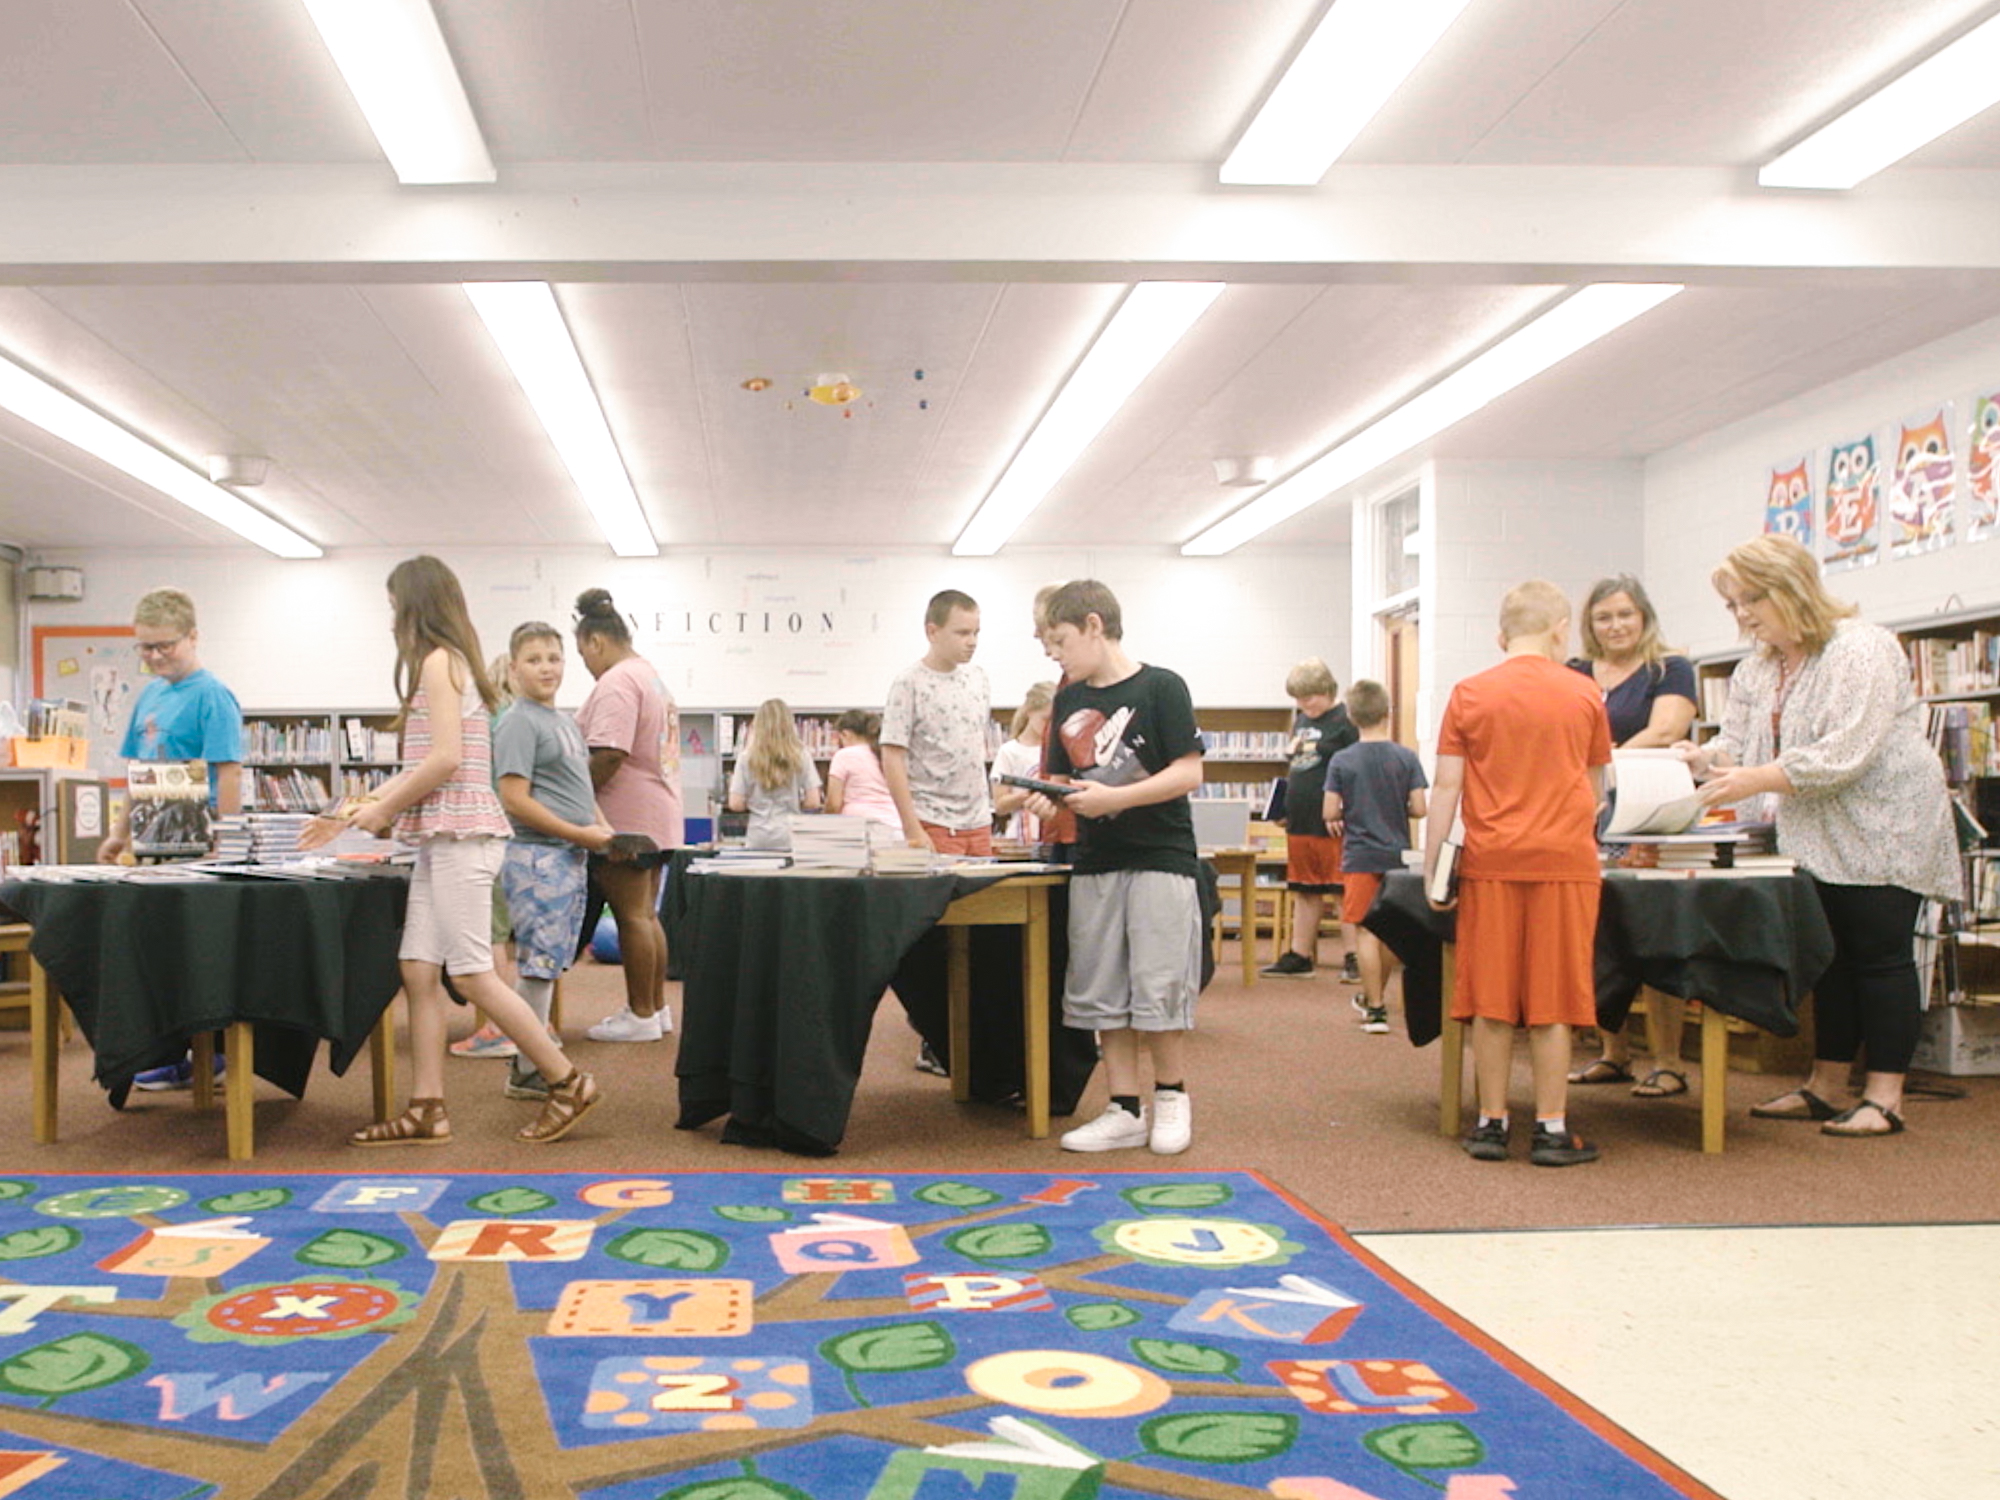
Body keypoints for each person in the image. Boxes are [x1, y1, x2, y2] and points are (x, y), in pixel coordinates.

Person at [298, 555, 600, 1145]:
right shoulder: (446, 665)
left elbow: (444, 760)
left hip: (464, 837)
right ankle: (428, 1107)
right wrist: (346, 813)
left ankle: (567, 1081)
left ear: (416, 607)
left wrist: (382, 811)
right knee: (417, 968)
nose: (390, 623)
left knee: (474, 975)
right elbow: (419, 765)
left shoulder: (441, 663)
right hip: (442, 838)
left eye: (393, 608)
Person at [1685, 535, 1961, 1138]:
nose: (1743, 615)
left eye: (1751, 599)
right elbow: (1736, 740)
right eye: (1733, 605)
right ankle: (1825, 1086)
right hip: (1815, 830)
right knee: (1831, 960)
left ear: (1792, 586)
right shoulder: (1759, 666)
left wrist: (1753, 778)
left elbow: (1847, 751)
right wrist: (1701, 758)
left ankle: (1885, 1098)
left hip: (1883, 824)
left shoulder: (1863, 647)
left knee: (1880, 956)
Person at [1427, 580, 1610, 1168]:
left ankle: (1491, 1122)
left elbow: (1446, 789)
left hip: (1491, 863)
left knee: (1491, 998)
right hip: (1565, 864)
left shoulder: (1469, 693)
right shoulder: (1586, 694)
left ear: (1500, 635)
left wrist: (1435, 870)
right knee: (1556, 1000)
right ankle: (1553, 1128)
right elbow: (1598, 788)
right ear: (1561, 629)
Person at [1025, 580, 1205, 1155]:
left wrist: (1115, 801)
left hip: (1160, 856)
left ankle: (1172, 1096)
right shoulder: (1069, 700)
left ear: (1095, 626)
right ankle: (1124, 1107)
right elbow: (1063, 780)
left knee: (1157, 983)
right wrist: (1045, 797)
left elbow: (1187, 772)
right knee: (1104, 988)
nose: (1053, 653)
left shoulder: (1162, 686)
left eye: (1060, 640)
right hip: (1096, 861)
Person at [1563, 574, 1701, 1098]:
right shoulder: (1574, 673)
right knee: (1598, 931)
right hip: (1586, 811)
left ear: (1642, 616)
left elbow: (1666, 731)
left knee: (1653, 932)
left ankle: (1667, 1062)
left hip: (1648, 809)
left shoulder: (1669, 668)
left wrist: (1601, 763)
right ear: (1589, 625)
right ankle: (1613, 1053)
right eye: (1604, 617)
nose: (1616, 625)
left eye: (1625, 614)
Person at [109, 588, 245, 1092]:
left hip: (198, 831)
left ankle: (206, 1055)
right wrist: (117, 832)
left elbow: (228, 772)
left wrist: (223, 842)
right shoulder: (149, 694)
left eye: (165, 645)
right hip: (152, 830)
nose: (155, 656)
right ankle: (167, 1050)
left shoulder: (212, 694)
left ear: (192, 636)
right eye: (145, 647)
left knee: (195, 955)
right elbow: (135, 771)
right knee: (156, 951)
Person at [490, 621, 619, 1102]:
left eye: (553, 658)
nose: (546, 667)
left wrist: (602, 830)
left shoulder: (562, 720)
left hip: (569, 856)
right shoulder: (518, 721)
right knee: (538, 965)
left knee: (549, 963)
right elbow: (514, 799)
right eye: (533, 659)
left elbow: (579, 791)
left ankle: (529, 1061)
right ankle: (527, 1068)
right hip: (536, 858)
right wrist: (580, 834)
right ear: (513, 666)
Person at [572, 587, 680, 1044]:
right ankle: (653, 1009)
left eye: (581, 654)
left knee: (632, 915)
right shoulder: (649, 675)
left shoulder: (617, 681)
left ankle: (640, 1014)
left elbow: (610, 754)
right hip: (658, 812)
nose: (584, 664)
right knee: (645, 915)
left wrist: (571, 799)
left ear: (596, 641)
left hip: (626, 816)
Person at [1324, 680, 1428, 1034]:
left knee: (1367, 932)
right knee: (1391, 933)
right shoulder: (1406, 756)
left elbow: (1329, 810)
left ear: (1351, 716)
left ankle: (1376, 1007)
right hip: (1397, 857)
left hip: (1360, 856)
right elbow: (1419, 807)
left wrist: (1343, 814)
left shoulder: (1342, 759)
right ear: (1388, 712)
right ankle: (1375, 997)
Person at [1261, 659, 1359, 982]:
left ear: (1327, 691)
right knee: (1305, 889)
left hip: (1332, 820)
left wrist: (1342, 807)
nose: (1304, 705)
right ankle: (1300, 954)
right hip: (1300, 817)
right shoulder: (1301, 720)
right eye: (1299, 699)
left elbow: (1354, 770)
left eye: (1310, 697)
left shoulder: (1346, 721)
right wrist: (1283, 807)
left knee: (1342, 889)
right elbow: (1298, 765)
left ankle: (1354, 956)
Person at [881, 589, 993, 855]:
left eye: (976, 633)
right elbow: (892, 756)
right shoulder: (909, 683)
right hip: (933, 821)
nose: (972, 641)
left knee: (990, 897)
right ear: (933, 632)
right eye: (962, 633)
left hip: (979, 821)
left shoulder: (978, 678)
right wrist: (912, 827)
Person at [727, 698, 823, 850]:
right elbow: (814, 801)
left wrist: (755, 803)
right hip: (790, 834)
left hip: (758, 835)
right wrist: (794, 803)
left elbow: (735, 804)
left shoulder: (746, 757)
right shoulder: (801, 755)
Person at [990, 681, 1056, 842]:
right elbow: (1000, 806)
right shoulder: (1010, 751)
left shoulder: (1059, 749)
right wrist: (1029, 794)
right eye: (1045, 720)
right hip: (1022, 838)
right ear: (1030, 712)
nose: (1050, 727)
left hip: (1054, 835)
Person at [825, 710, 901, 832]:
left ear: (845, 734)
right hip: (894, 824)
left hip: (858, 828)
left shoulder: (844, 755)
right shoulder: (883, 754)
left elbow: (834, 804)